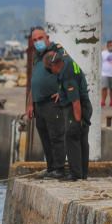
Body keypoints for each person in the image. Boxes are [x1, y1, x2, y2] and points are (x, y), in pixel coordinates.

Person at [25, 27, 67, 178]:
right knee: (44, 136)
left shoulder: (58, 52)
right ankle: (51, 168)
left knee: (56, 136)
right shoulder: (37, 56)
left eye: (40, 38)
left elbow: (70, 72)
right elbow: (33, 82)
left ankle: (60, 169)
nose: (38, 42)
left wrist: (62, 91)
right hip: (39, 103)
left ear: (47, 37)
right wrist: (30, 104)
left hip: (52, 102)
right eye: (34, 40)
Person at [45, 49, 92, 180]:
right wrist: (61, 93)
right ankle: (83, 173)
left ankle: (75, 174)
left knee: (72, 137)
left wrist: (77, 121)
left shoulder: (67, 75)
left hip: (76, 109)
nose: (50, 72)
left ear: (54, 65)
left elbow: (75, 101)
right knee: (82, 140)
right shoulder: (68, 62)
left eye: (49, 69)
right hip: (83, 106)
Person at [100, 40, 112, 108]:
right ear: (107, 46)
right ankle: (103, 101)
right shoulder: (103, 53)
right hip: (105, 73)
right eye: (110, 45)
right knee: (104, 88)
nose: (111, 46)